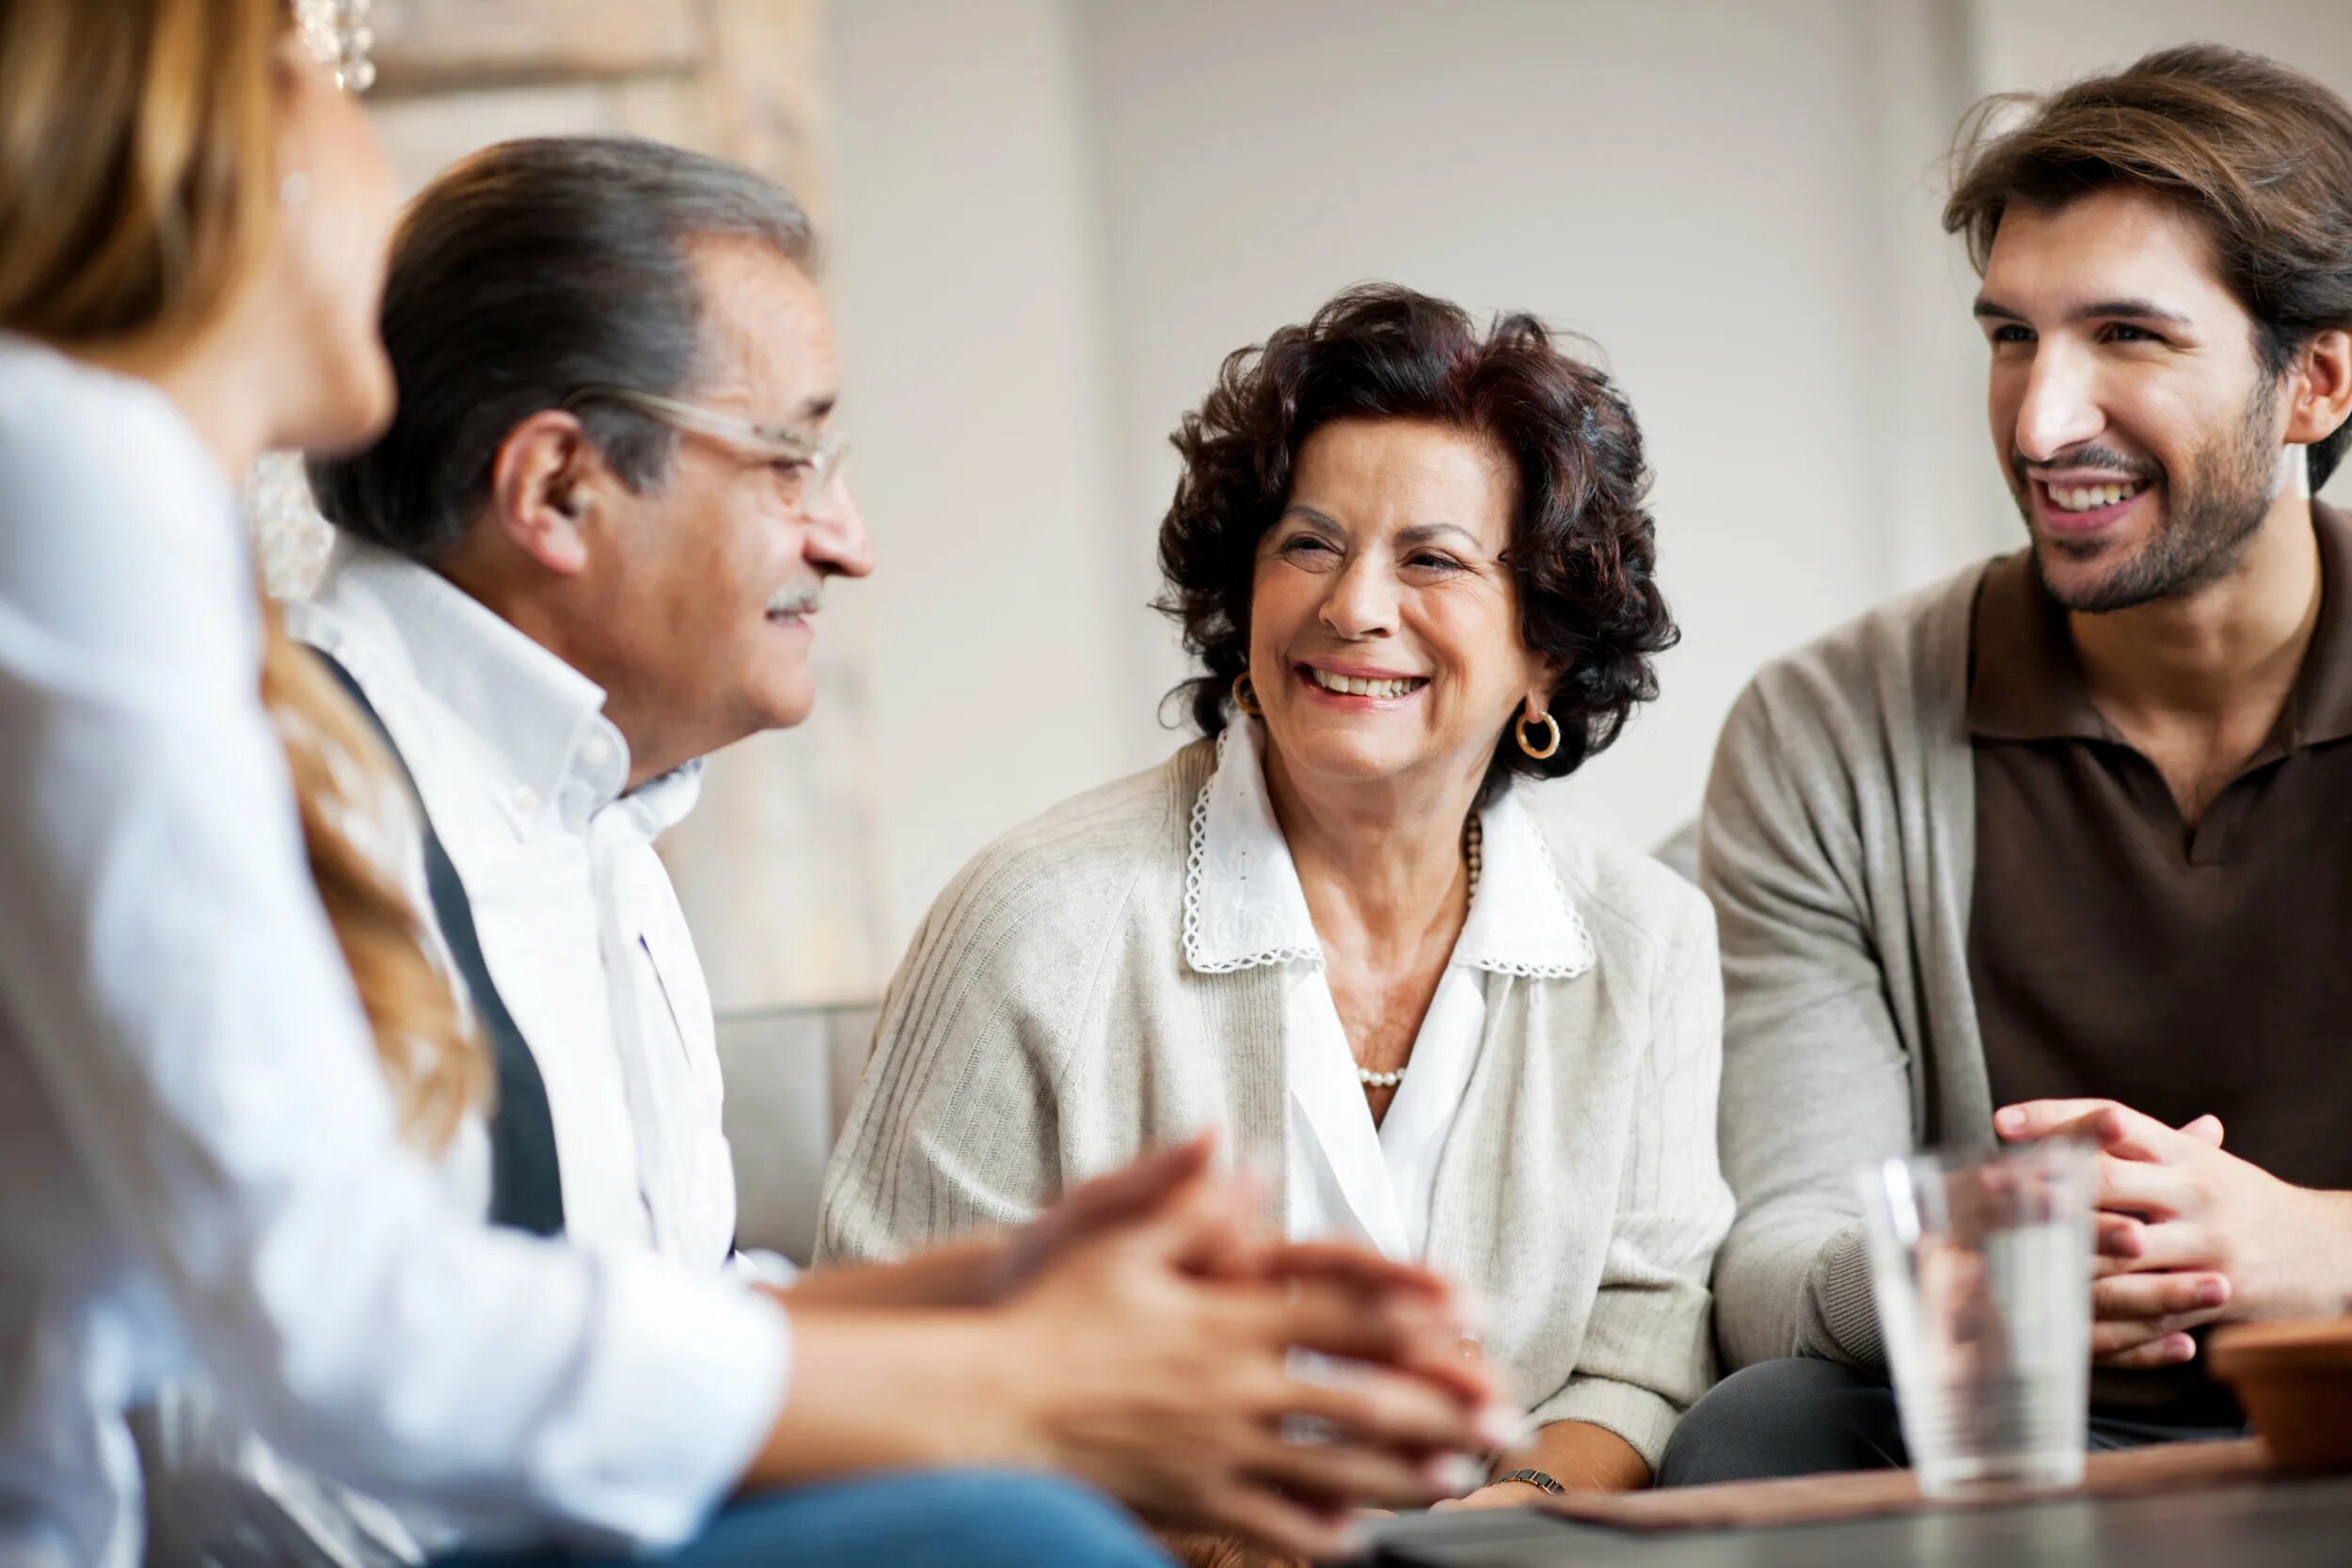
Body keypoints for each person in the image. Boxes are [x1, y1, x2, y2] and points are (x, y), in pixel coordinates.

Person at [0, 6, 1509, 1565]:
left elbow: (630, 1310)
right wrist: (1013, 1388)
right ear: (560, 490)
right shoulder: (125, 535)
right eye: (789, 458)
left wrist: (1002, 1296)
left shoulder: (602, 824)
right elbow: (303, 1408)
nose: (849, 538)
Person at [820, 284, 1736, 1559]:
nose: (1356, 605)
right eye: (1309, 544)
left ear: (1547, 651)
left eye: (1432, 558)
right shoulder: (1040, 918)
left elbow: (1645, 1343)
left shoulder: (1648, 941)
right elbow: (896, 1369)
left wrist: (1507, 1522)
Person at [1665, 42, 2352, 1485]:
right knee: (1758, 1429)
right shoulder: (1828, 733)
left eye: (2130, 337)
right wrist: (1996, 1257)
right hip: (2032, 1425)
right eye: (2010, 338)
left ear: (2320, 380)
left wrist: (2310, 1248)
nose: (2043, 424)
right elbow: (1773, 1262)